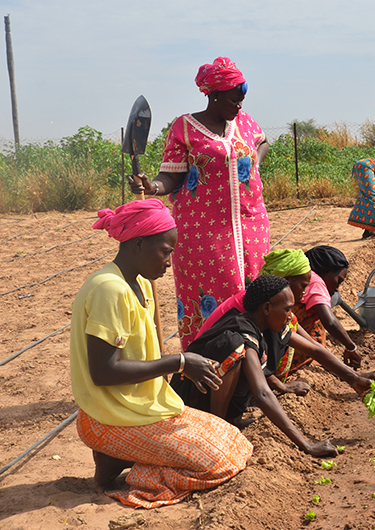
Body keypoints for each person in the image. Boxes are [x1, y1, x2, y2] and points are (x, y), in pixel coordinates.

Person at [70, 199, 251, 508]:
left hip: (141, 410)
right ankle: (133, 469)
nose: (170, 261)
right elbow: (103, 372)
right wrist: (180, 362)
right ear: (139, 244)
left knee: (237, 443)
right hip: (111, 417)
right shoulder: (109, 290)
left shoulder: (139, 284)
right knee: (220, 463)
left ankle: (120, 457)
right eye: (166, 252)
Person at [128, 56, 271, 350]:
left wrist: (254, 162)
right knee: (216, 296)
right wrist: (152, 187)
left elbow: (262, 142)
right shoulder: (185, 128)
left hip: (251, 224)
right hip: (204, 233)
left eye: (242, 100)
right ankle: (212, 362)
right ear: (214, 95)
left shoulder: (243, 122)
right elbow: (171, 176)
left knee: (256, 292)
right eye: (234, 100)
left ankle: (257, 360)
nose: (239, 106)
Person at [172, 275, 372, 457]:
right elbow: (262, 394)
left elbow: (315, 350)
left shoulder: (269, 326)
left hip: (214, 399)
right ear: (267, 308)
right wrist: (307, 445)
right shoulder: (242, 334)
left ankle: (230, 421)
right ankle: (218, 428)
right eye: (287, 309)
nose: (291, 316)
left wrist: (354, 379)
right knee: (235, 350)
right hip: (191, 404)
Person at [194, 250, 375, 392]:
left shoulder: (271, 306)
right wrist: (282, 388)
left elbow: (313, 347)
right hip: (208, 381)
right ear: (287, 280)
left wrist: (354, 377)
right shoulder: (253, 309)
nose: (305, 293)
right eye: (302, 286)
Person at [294, 245, 363, 367]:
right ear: (325, 272)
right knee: (317, 320)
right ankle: (309, 361)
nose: (337, 289)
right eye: (338, 281)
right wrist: (351, 347)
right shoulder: (316, 282)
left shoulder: (302, 275)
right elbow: (330, 322)